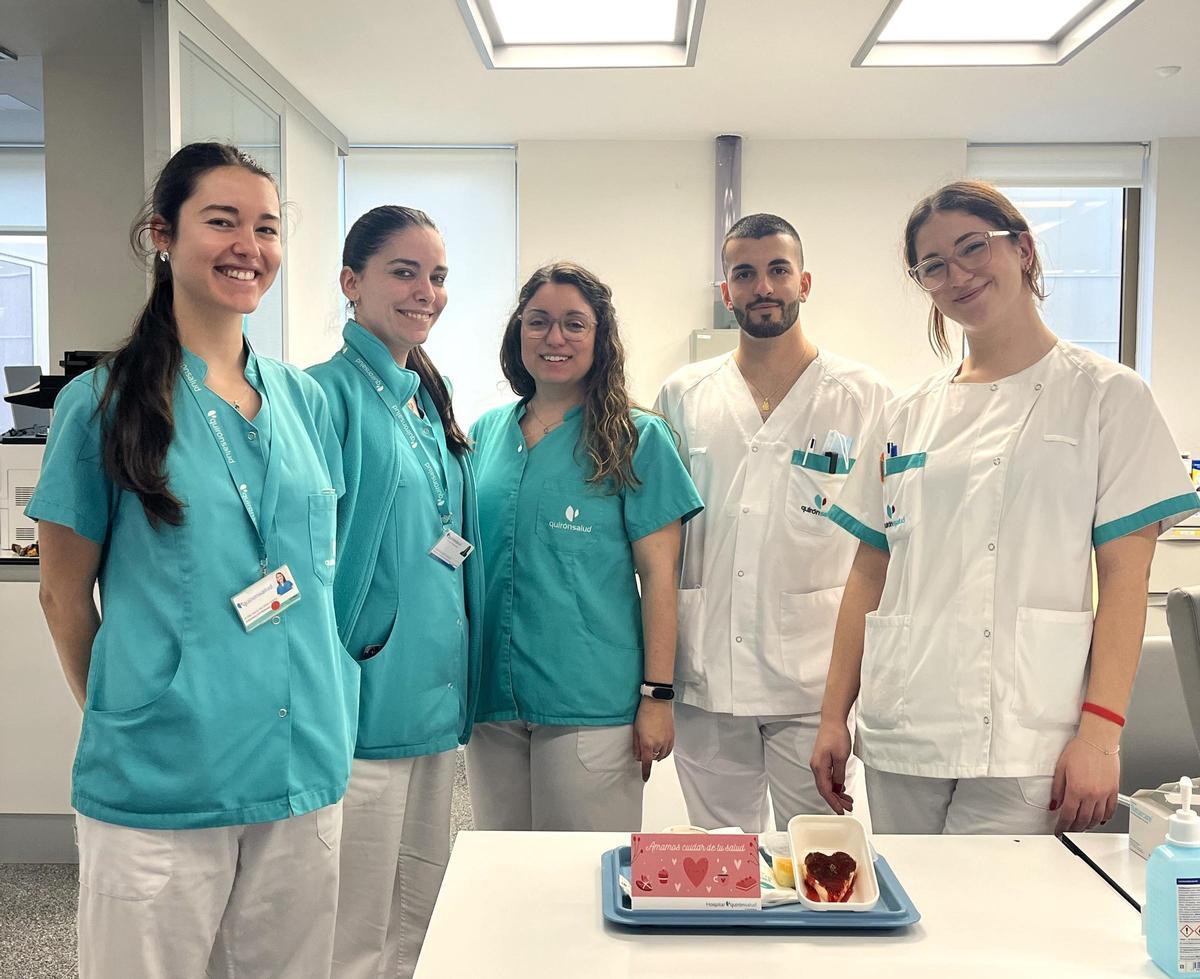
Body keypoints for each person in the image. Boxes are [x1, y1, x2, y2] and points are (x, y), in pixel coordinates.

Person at [26, 142, 355, 978]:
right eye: (223, 221)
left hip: (302, 761)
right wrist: (126, 713)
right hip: (162, 777)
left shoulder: (303, 399)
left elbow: (311, 572)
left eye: (267, 227)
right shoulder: (99, 404)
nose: (250, 244)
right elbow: (64, 598)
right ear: (162, 234)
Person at [810, 180, 1199, 835]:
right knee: (911, 917)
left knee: (994, 926)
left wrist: (1101, 733)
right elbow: (869, 574)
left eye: (972, 248)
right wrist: (831, 714)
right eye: (932, 265)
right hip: (904, 720)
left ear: (1021, 247)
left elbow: (1127, 580)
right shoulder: (906, 413)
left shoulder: (1108, 397)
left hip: (1030, 732)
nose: (957, 274)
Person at [655, 214, 891, 832]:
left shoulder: (865, 396)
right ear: (726, 291)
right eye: (744, 273)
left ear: (804, 282)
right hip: (707, 670)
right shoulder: (684, 394)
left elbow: (885, 545)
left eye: (778, 270)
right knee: (722, 857)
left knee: (820, 854)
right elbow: (659, 533)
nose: (763, 286)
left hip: (814, 684)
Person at [307, 205, 482, 979]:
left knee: (417, 914)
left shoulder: (423, 396)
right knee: (350, 926)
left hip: (433, 702)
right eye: (404, 272)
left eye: (437, 275)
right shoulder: (322, 397)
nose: (426, 291)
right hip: (363, 704)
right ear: (352, 282)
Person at [468, 262, 703, 831]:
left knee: (581, 883)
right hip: (490, 699)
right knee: (504, 872)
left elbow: (659, 581)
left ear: (600, 339)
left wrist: (658, 696)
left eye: (575, 324)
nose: (555, 338)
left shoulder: (636, 438)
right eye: (538, 322)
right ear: (516, 333)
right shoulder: (482, 434)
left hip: (591, 700)